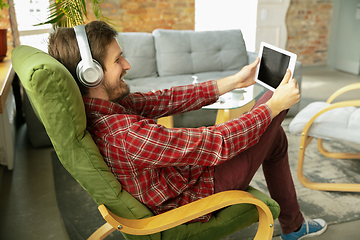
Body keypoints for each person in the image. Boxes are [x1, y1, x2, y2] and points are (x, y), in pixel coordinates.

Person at [48, 20, 327, 240]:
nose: (127, 65)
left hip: (186, 177)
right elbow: (217, 143)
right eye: (117, 60)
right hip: (196, 194)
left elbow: (165, 98)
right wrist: (273, 107)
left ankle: (294, 226)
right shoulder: (122, 134)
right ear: (91, 73)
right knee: (271, 101)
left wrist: (233, 81)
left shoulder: (106, 109)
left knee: (275, 138)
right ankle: (295, 226)